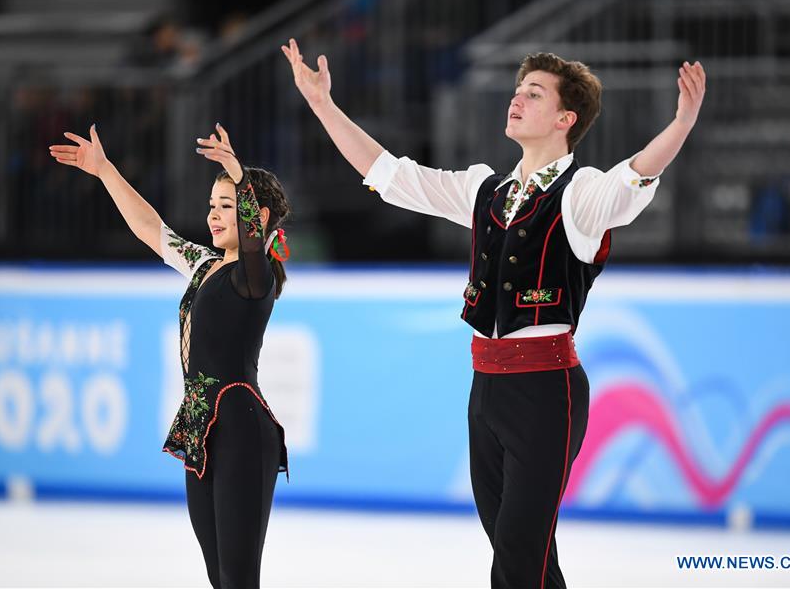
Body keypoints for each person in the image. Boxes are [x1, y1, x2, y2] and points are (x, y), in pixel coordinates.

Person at [282, 38, 705, 589]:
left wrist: (682, 124)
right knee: (525, 553)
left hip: (547, 391)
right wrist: (322, 105)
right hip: (486, 389)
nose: (517, 99)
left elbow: (634, 178)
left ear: (564, 118)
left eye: (534, 93)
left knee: (517, 553)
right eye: (516, 90)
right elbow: (390, 175)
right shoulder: (484, 189)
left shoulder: (581, 195)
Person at [49, 122, 291, 588]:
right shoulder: (204, 265)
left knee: (239, 579)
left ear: (254, 217)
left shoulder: (255, 276)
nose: (214, 216)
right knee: (219, 577)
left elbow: (254, 247)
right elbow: (151, 229)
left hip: (240, 427)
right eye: (211, 207)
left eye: (226, 206)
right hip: (199, 428)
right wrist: (105, 172)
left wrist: (239, 176)